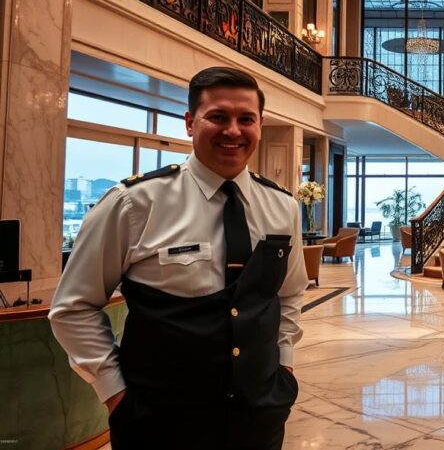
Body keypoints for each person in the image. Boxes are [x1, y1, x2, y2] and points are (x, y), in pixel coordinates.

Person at [50, 66, 308, 449]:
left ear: (260, 125)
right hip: (158, 422)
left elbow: (288, 294)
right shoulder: (134, 203)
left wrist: (282, 365)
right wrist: (116, 396)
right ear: (190, 123)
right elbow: (74, 307)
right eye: (218, 117)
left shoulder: (283, 206)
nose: (233, 130)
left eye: (246, 119)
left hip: (258, 418)